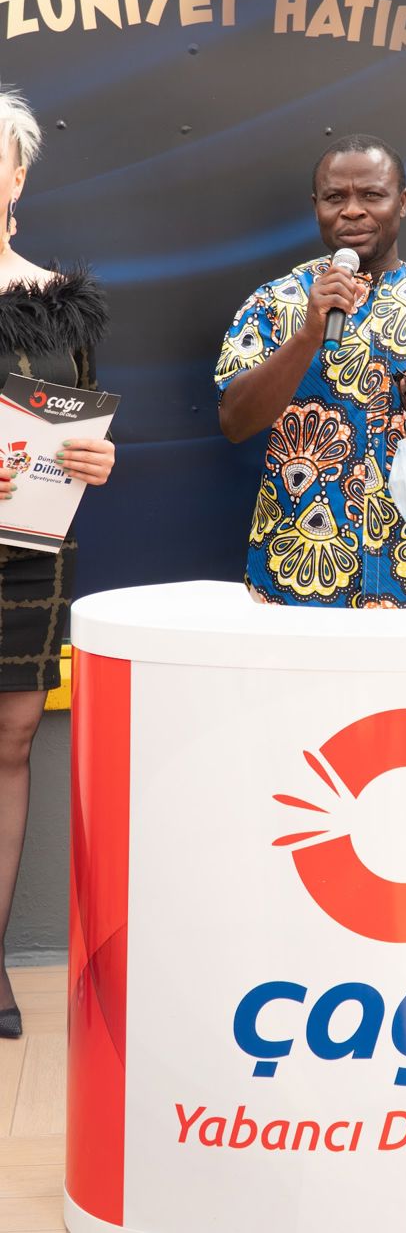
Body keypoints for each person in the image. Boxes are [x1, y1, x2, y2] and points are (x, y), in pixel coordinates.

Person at [216, 133, 406, 607]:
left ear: (402, 202)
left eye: (371, 195)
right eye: (335, 198)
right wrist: (308, 334)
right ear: (316, 207)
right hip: (294, 582)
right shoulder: (273, 303)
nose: (352, 211)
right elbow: (235, 421)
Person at [0, 87, 115, 1039]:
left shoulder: (59, 307)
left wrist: (94, 460)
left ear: (18, 175)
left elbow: (77, 429)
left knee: (10, 740)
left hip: (28, 554)